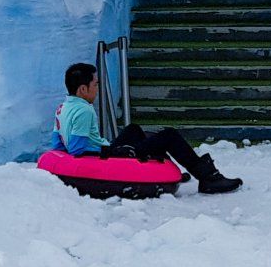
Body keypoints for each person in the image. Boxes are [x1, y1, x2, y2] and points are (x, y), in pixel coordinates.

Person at [50, 63, 242, 194]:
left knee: (133, 129)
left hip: (106, 151)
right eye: (95, 84)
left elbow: (57, 143)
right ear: (83, 89)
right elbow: (77, 149)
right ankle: (208, 178)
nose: (97, 88)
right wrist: (113, 152)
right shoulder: (84, 111)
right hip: (108, 155)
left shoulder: (63, 108)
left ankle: (160, 171)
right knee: (169, 135)